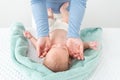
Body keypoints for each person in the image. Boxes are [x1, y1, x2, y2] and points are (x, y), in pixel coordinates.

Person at [23, 3, 97, 72]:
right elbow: (81, 46)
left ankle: (50, 15)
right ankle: (63, 10)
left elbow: (37, 45)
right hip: (65, 27)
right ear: (69, 59)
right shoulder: (71, 50)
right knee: (67, 20)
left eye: (54, 47)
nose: (59, 45)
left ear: (46, 54)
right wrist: (88, 45)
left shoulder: (46, 48)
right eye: (63, 48)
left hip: (51, 29)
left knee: (48, 22)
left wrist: (30, 37)